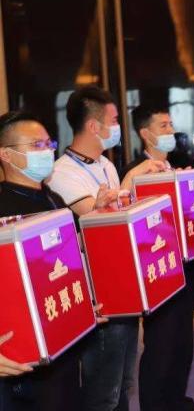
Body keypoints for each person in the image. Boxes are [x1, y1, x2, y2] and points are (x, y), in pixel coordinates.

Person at [47, 87, 164, 411]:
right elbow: (99, 225)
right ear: (93, 126)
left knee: (124, 381)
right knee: (103, 389)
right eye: (113, 120)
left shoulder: (106, 165)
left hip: (121, 284)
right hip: (97, 293)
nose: (117, 127)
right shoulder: (62, 172)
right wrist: (131, 178)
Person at [0, 111, 104, 410]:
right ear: (7, 155)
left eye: (49, 143)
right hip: (24, 355)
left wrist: (83, 308)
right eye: (36, 145)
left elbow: (69, 262)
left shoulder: (53, 199)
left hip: (63, 340)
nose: (47, 151)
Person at [121, 105, 194, 411]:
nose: (171, 131)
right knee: (161, 347)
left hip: (185, 268)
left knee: (183, 344)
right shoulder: (134, 173)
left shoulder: (175, 168)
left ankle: (177, 401)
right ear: (145, 133)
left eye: (170, 125)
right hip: (157, 272)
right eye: (163, 126)